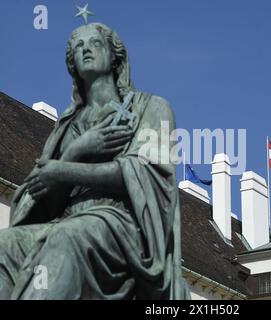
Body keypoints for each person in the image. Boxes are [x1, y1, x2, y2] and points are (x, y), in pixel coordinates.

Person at [0, 22, 189, 300]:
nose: (86, 48)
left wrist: (63, 169)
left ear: (115, 56)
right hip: (68, 221)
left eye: (95, 43)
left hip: (121, 224)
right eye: (78, 46)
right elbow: (42, 202)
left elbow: (144, 174)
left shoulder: (151, 108)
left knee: (67, 238)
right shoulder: (65, 127)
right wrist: (76, 151)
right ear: (72, 63)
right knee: (5, 244)